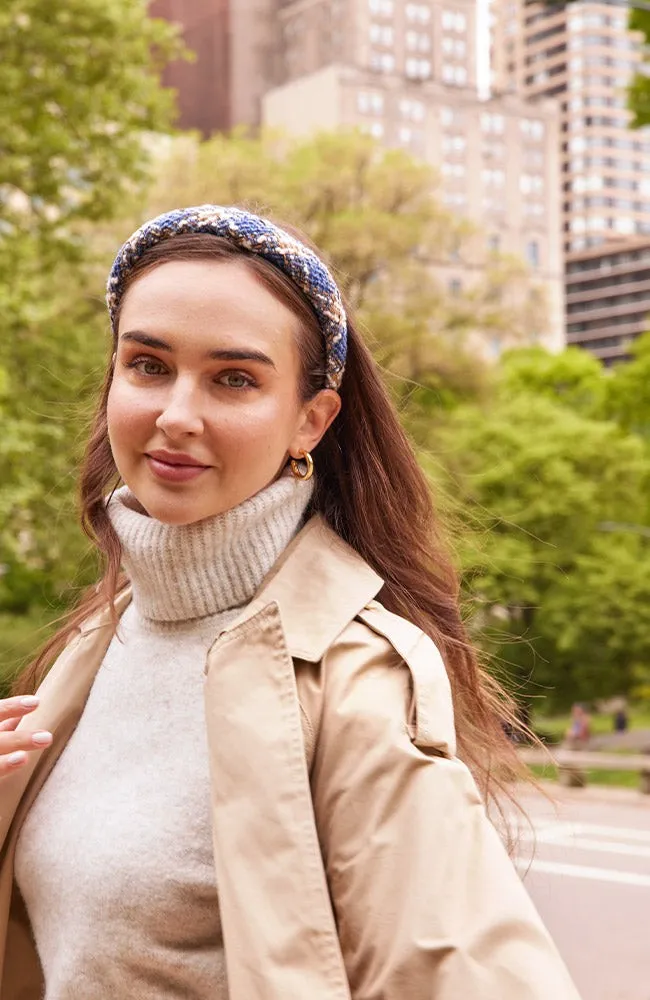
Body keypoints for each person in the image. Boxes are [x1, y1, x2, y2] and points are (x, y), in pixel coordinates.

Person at [0, 206, 581, 999]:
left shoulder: (356, 677)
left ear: (311, 419)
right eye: (148, 365)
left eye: (234, 378)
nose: (176, 415)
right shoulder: (96, 645)